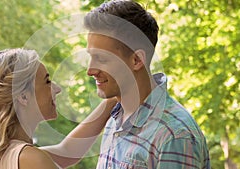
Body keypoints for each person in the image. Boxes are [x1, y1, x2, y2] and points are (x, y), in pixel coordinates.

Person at [44, 0, 210, 168]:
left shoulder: (173, 136)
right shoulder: (115, 120)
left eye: (101, 59)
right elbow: (65, 152)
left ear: (136, 60)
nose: (90, 70)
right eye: (91, 57)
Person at [0, 48, 117, 169]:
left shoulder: (3, 154)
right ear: (23, 96)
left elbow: (68, 152)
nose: (57, 89)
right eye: (47, 81)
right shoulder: (30, 159)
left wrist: (113, 99)